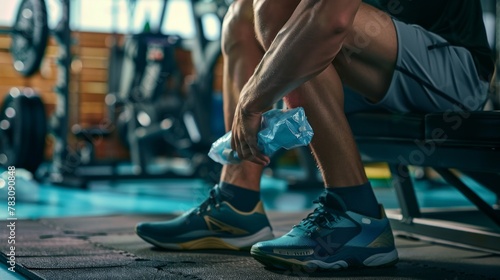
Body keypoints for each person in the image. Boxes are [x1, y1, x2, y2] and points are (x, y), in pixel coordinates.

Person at [136, 0, 494, 271]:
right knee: (245, 12)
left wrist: (252, 102)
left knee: (291, 11)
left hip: (453, 70)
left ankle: (357, 216)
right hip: (374, 66)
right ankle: (236, 202)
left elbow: (332, 19)